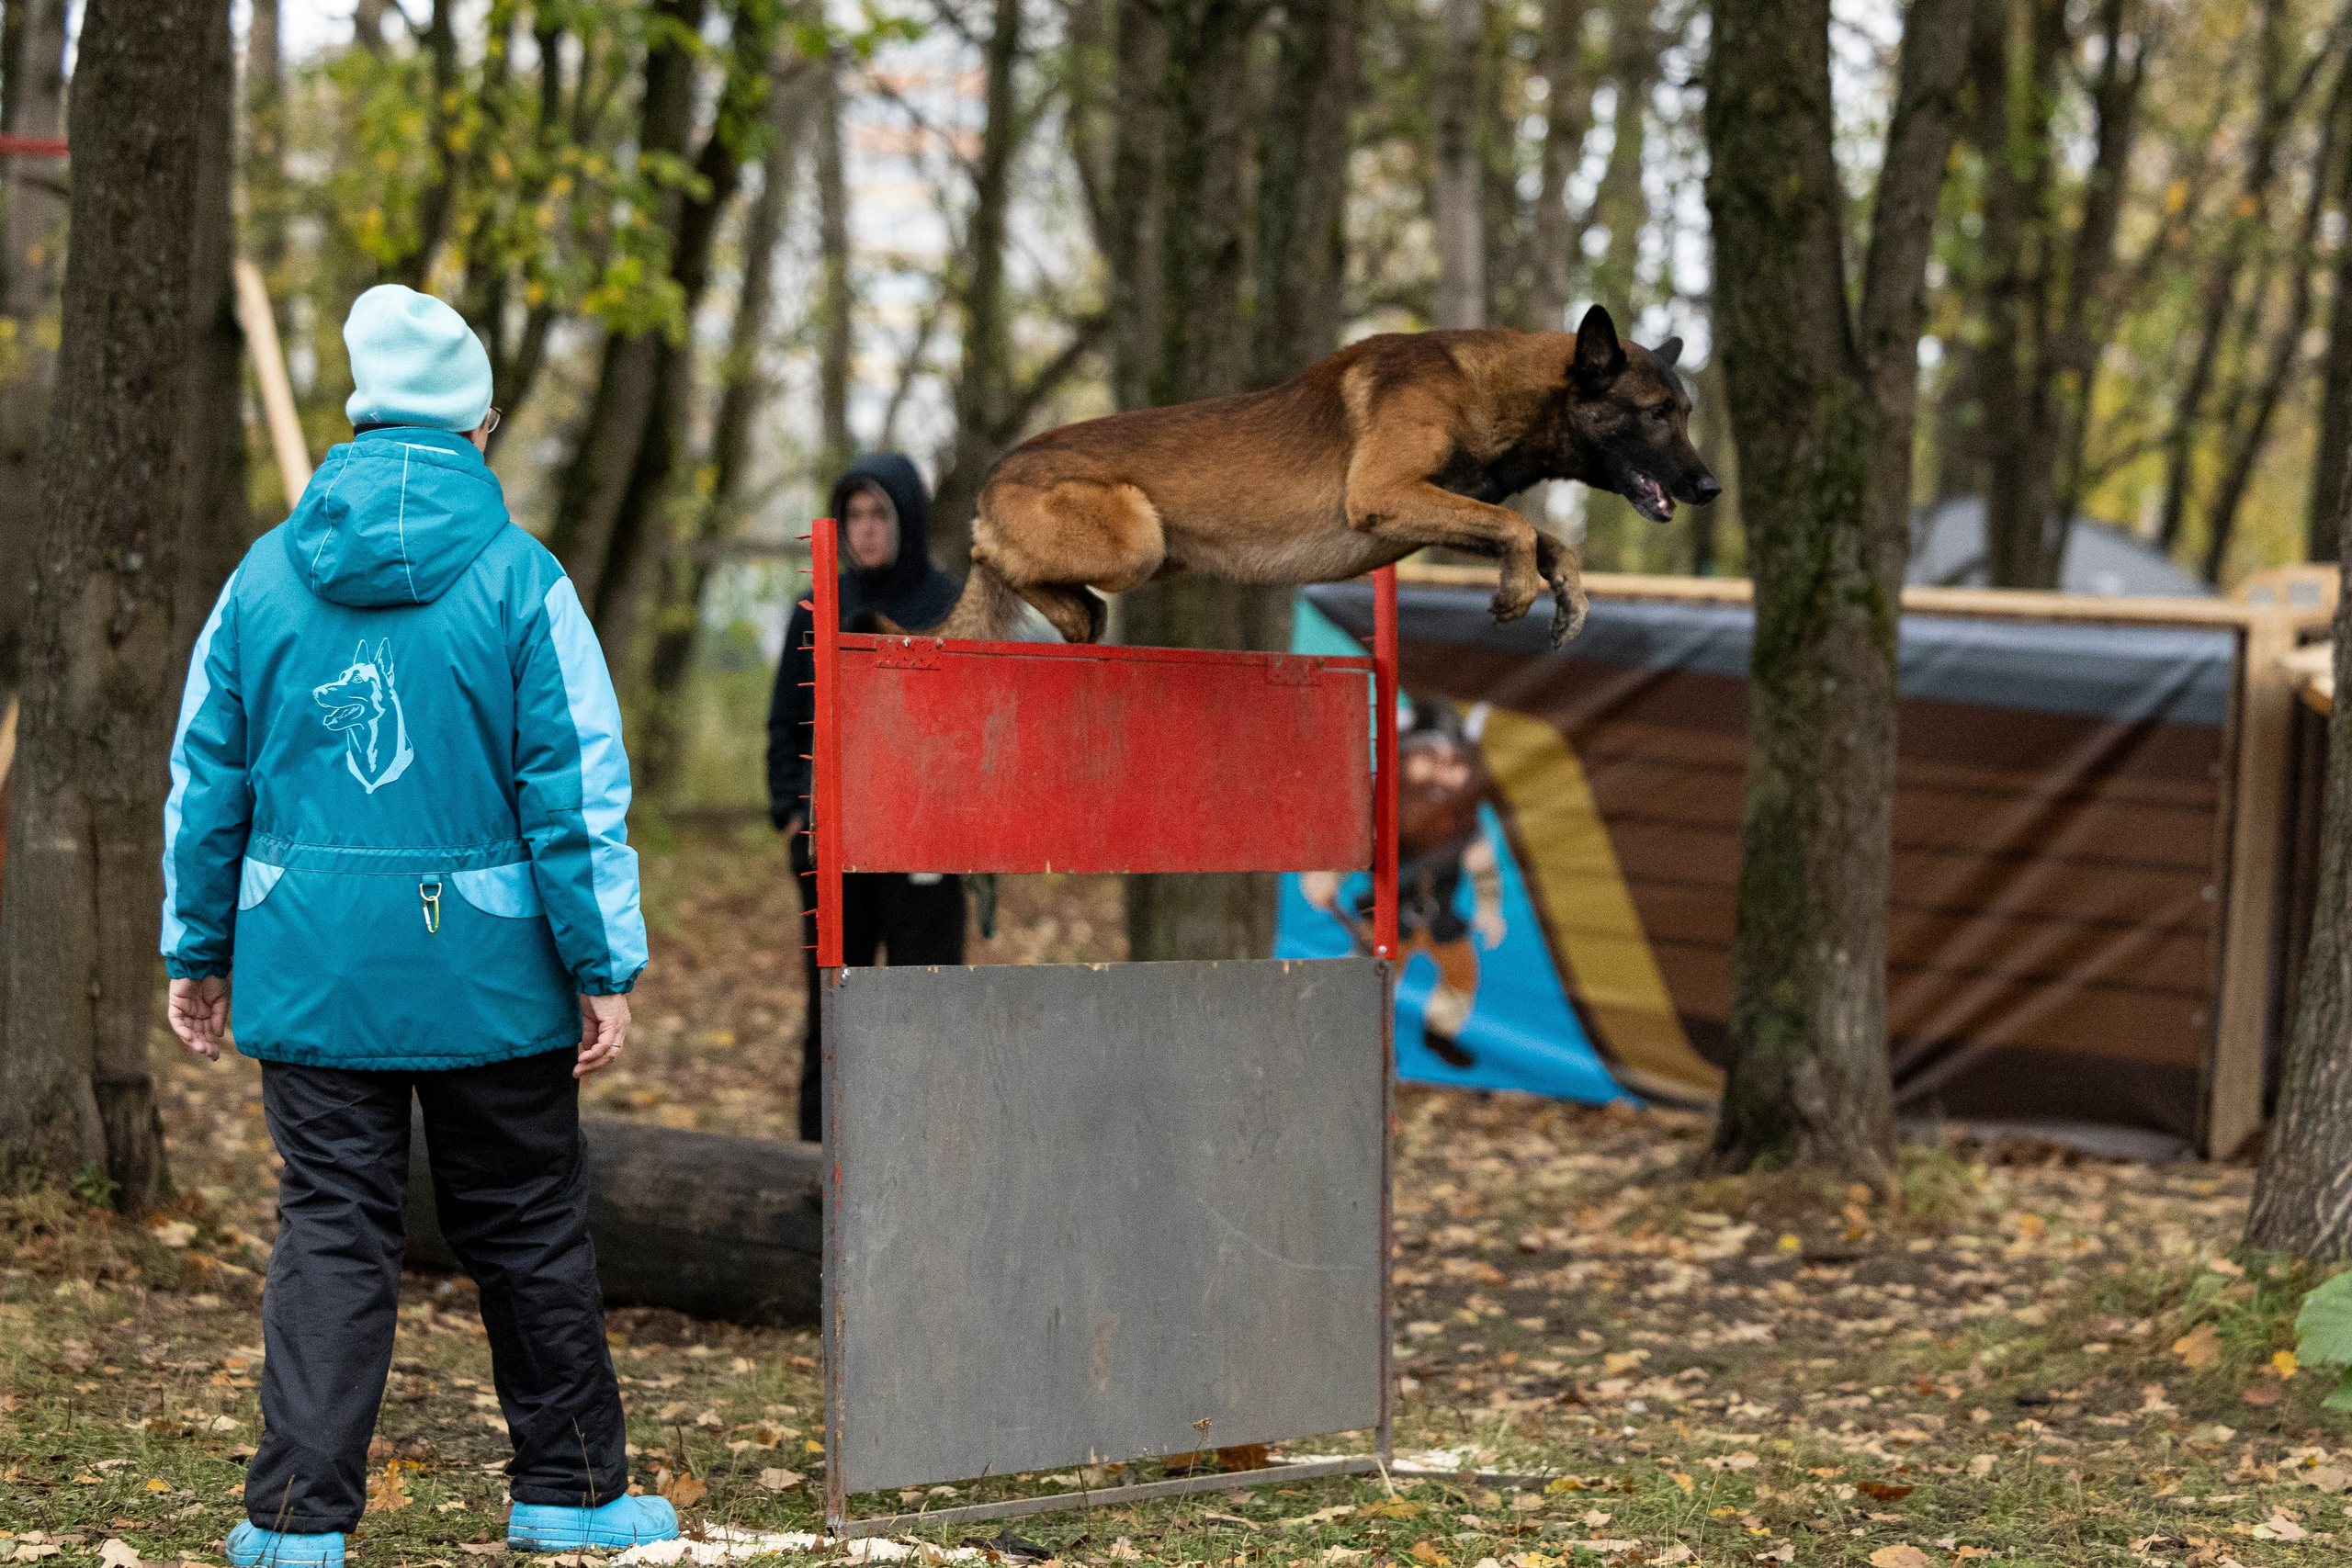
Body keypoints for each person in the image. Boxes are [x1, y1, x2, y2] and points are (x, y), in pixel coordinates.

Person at [160, 284, 673, 1565]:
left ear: (359, 412)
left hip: (312, 960)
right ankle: (570, 1491)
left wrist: (198, 945)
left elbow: (205, 779)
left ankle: (292, 1522)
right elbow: (576, 788)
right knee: (528, 1224)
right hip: (492, 968)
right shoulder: (523, 580)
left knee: (332, 1222)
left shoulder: (262, 579)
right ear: (480, 426)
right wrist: (601, 960)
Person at [766, 454, 967, 1143]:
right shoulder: (821, 603)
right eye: (854, 514)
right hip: (835, 844)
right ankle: (815, 1171)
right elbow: (784, 718)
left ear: (906, 519)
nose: (866, 528)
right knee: (833, 1013)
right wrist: (792, 811)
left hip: (924, 847)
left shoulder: (951, 605)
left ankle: (926, 1159)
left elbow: (975, 729)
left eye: (880, 513)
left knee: (925, 1009)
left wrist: (963, 833)